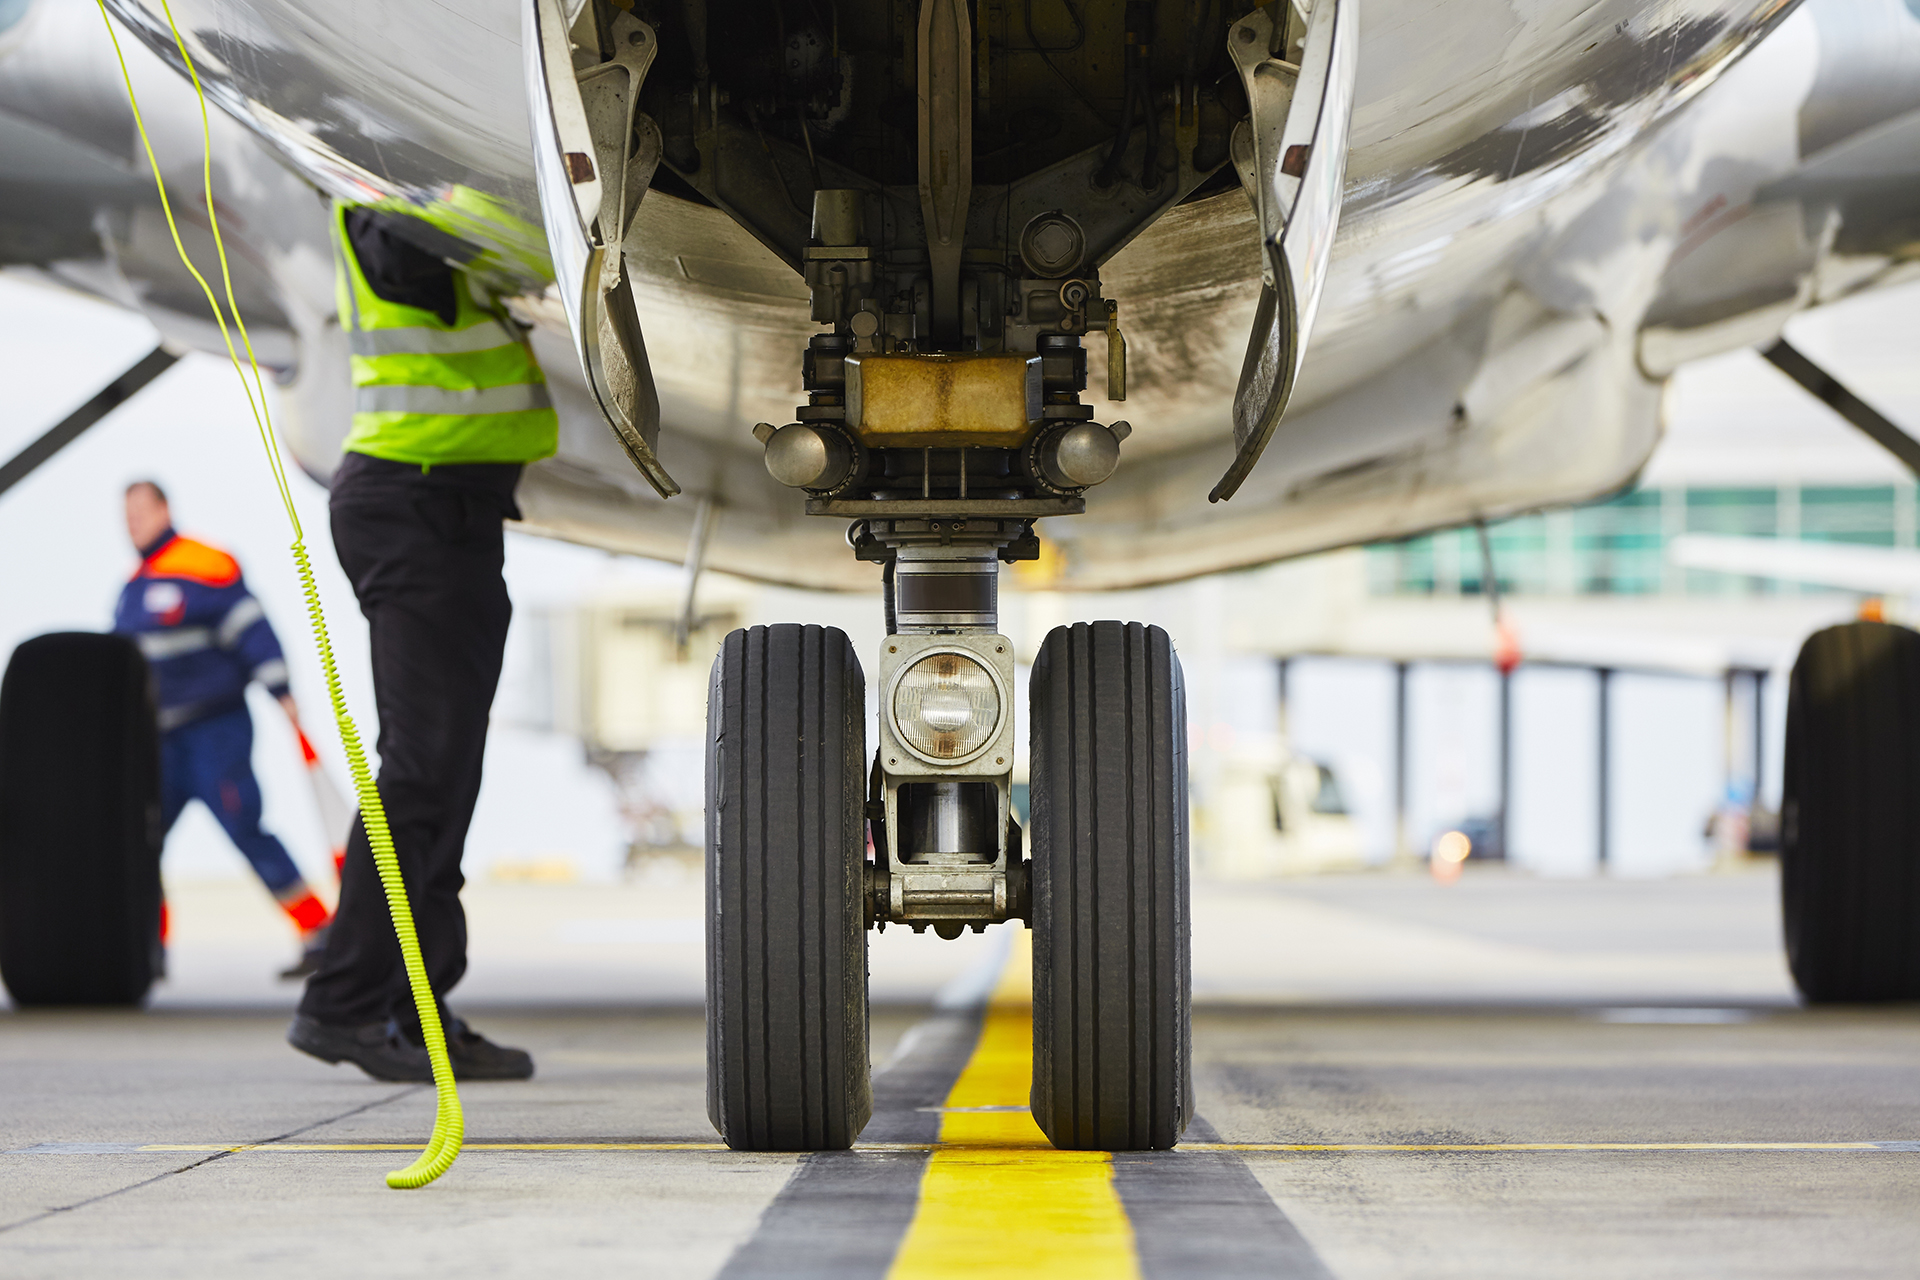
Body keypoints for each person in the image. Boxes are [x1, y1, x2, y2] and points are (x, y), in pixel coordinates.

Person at [286, 200, 555, 1083]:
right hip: (416, 505)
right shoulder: (393, 204)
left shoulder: (410, 197)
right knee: (419, 769)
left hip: (448, 508)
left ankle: (416, 1014)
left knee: (440, 774)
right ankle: (347, 1006)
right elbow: (490, 239)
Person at [114, 480, 333, 979]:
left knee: (244, 827)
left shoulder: (205, 566)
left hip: (214, 730)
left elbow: (251, 628)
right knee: (140, 841)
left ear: (165, 509)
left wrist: (282, 692)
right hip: (161, 742)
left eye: (141, 513)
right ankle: (148, 945)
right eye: (127, 517)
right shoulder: (133, 588)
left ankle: (320, 931)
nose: (134, 525)